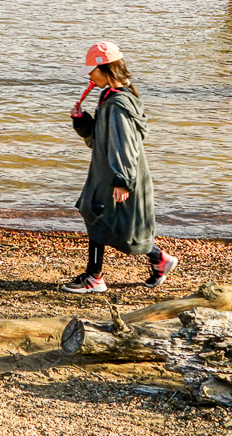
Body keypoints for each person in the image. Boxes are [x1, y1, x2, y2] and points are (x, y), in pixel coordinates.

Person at [64, 39, 176, 293]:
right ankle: (158, 259)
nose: (89, 76)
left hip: (119, 173)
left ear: (105, 69)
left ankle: (95, 278)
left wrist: (122, 181)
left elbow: (125, 145)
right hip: (110, 171)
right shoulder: (111, 98)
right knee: (100, 216)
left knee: (103, 217)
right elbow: (101, 140)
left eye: (92, 71)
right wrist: (82, 121)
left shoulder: (117, 106)